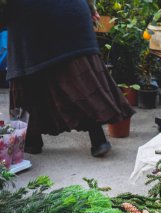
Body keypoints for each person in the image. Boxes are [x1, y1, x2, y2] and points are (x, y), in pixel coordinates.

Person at [0, 0, 135, 157]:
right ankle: (98, 139)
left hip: (29, 13)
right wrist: (90, 7)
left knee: (28, 74)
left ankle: (31, 141)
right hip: (72, 10)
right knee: (80, 80)